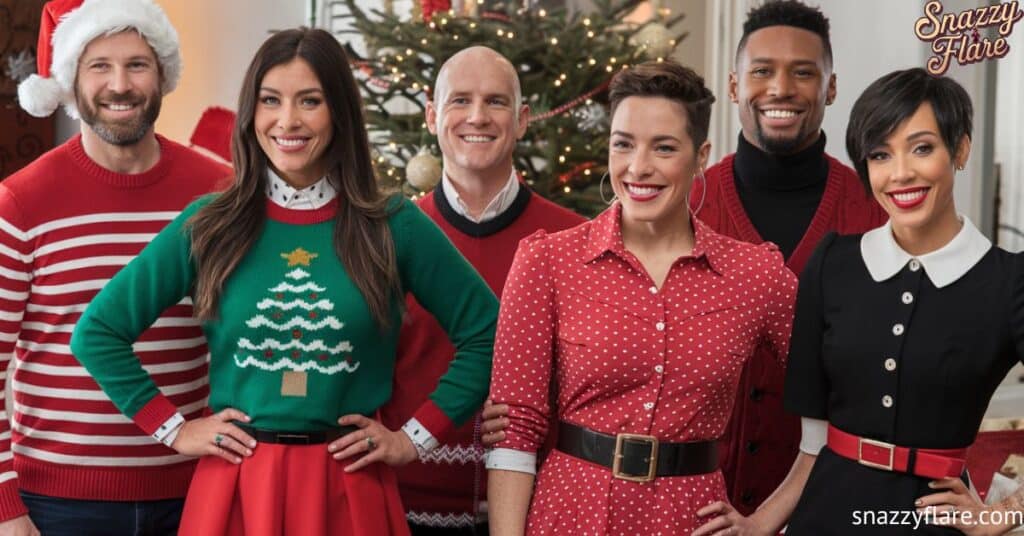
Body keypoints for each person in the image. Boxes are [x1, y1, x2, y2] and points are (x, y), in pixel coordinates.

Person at [69, 27, 498, 536]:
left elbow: (489, 330)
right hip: (236, 489)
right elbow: (97, 332)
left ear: (339, 111)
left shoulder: (390, 224)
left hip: (351, 491)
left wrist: (414, 438)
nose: (287, 121)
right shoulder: (211, 224)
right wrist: (173, 428)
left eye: (309, 101)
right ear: (252, 112)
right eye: (271, 100)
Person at [694, 68, 1024, 536]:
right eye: (880, 155)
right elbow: (813, 443)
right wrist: (758, 525)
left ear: (962, 149)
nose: (901, 172)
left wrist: (1002, 514)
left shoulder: (1008, 281)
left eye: (922, 147)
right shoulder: (832, 265)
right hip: (824, 515)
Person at [485, 60, 798, 535]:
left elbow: (841, 398)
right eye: (623, 144)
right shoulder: (548, 262)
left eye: (665, 148)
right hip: (569, 516)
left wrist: (766, 522)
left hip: (691, 522)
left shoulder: (754, 276)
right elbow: (514, 431)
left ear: (701, 156)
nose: (638, 167)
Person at [0, 0, 230, 534]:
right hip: (56, 505)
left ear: (163, 74)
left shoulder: (218, 192)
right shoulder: (21, 202)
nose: (119, 84)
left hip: (192, 491)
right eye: (99, 65)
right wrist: (6, 508)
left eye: (137, 64)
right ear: (72, 80)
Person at [687, 0, 886, 513]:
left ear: (831, 87)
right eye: (762, 71)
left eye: (803, 72)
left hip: (834, 503)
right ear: (734, 87)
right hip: (695, 503)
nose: (780, 88)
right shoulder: (687, 205)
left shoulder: (876, 212)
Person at [380, 46, 585, 536]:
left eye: (495, 102)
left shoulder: (573, 242)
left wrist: (538, 422)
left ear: (522, 120)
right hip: (403, 508)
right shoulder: (385, 237)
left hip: (532, 508)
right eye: (459, 101)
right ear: (432, 116)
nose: (477, 116)